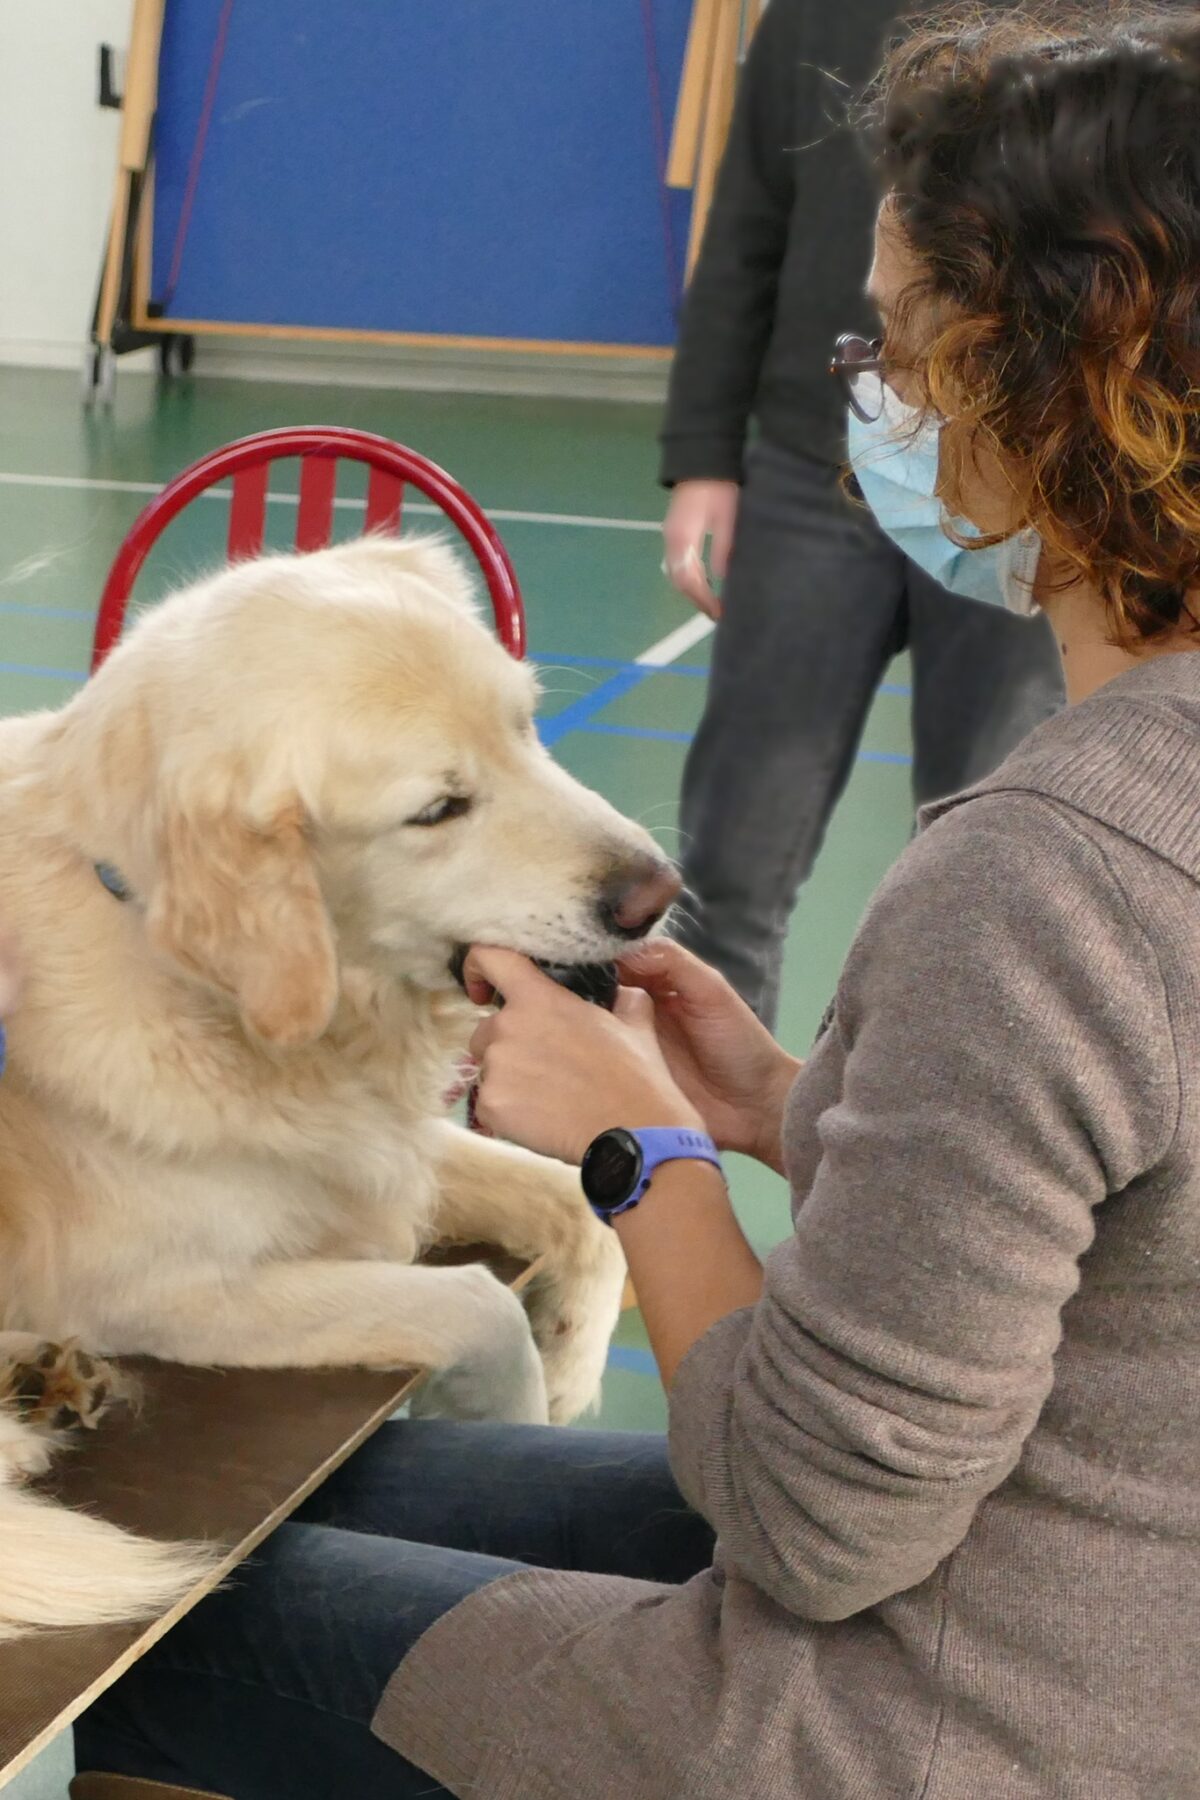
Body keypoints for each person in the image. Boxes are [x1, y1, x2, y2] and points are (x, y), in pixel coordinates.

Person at [74, 8, 1200, 1796]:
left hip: (940, 1723)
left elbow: (816, 1526)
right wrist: (779, 1109)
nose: (869, 396)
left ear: (1028, 383)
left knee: (149, 1625)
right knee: (329, 1480)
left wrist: (644, 1155)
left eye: (889, 346)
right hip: (1111, 1606)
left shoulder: (1048, 878)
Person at [661, 0, 1065, 1028]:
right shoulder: (810, 16)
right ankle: (684, 1160)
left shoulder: (1120, 28)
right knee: (731, 870)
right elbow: (746, 229)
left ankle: (947, 1165)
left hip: (1024, 488)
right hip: (812, 467)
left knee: (984, 878)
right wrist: (706, 456)